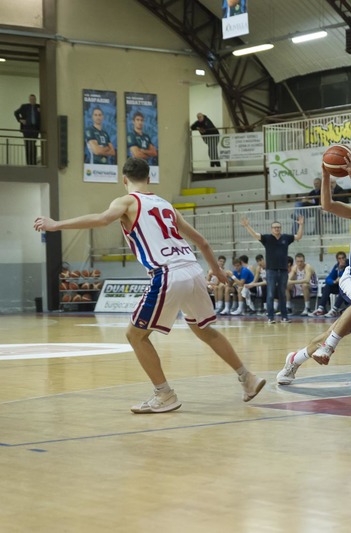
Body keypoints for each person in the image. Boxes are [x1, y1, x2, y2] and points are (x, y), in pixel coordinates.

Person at [33, 158, 266, 412]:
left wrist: (57, 224)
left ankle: (164, 394)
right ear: (149, 178)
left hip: (167, 273)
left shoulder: (127, 201)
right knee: (204, 330)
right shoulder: (166, 205)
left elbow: (102, 219)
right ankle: (248, 378)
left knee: (135, 335)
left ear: (124, 179)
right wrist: (217, 271)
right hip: (193, 269)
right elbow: (202, 242)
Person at [276, 163, 351, 385]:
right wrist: (325, 175)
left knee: (333, 330)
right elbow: (327, 205)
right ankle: (329, 347)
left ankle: (294, 360)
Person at [241, 215, 304, 324]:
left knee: (282, 294)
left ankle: (284, 317)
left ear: (281, 228)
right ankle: (270, 317)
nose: (277, 229)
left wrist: (301, 225)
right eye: (275, 227)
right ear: (271, 229)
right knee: (270, 294)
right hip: (271, 271)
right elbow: (255, 235)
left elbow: (298, 236)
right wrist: (247, 226)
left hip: (283, 270)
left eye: (278, 227)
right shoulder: (267, 238)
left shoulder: (286, 238)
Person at [312, 251, 349, 316]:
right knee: (327, 286)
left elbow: (346, 277)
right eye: (339, 258)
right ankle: (321, 308)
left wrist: (340, 272)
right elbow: (328, 278)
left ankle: (334, 310)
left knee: (343, 289)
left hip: (347, 288)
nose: (341, 260)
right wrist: (334, 281)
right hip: (338, 287)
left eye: (343, 258)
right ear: (337, 260)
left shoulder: (349, 265)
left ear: (345, 258)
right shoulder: (336, 266)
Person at [14, 94, 41, 165]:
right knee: (27, 144)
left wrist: (40, 111)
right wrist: (20, 120)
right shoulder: (24, 106)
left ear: (36, 100)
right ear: (29, 100)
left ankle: (33, 162)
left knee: (33, 144)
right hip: (26, 128)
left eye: (34, 99)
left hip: (35, 128)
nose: (32, 100)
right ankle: (29, 163)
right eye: (31, 99)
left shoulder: (39, 107)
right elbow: (16, 112)